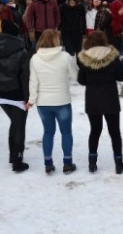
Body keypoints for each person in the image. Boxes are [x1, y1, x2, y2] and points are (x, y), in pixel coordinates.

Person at [0, 20, 31, 173]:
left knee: (15, 122)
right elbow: (25, 76)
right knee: (19, 124)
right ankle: (17, 159)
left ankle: (13, 155)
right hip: (16, 93)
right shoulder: (21, 51)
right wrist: (27, 97)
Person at [29, 29, 79, 174]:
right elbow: (76, 76)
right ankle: (68, 163)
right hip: (61, 101)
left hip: (43, 103)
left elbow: (33, 82)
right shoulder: (65, 57)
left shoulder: (35, 58)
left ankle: (48, 163)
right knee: (66, 132)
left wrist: (31, 100)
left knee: (48, 132)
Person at [77, 31, 123, 174]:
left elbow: (81, 80)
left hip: (93, 99)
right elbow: (121, 77)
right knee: (115, 132)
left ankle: (92, 162)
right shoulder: (113, 56)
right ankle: (118, 163)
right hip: (110, 98)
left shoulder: (84, 59)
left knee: (95, 131)